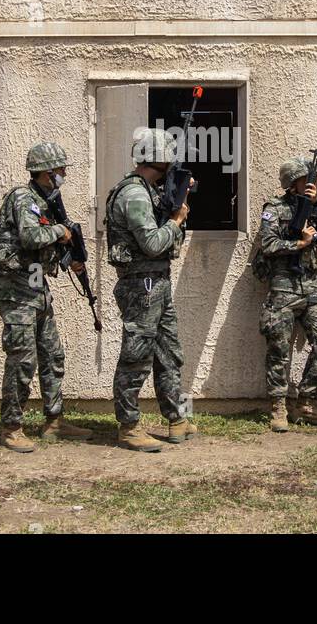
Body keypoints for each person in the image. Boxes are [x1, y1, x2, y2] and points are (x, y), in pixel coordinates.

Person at [0, 142, 95, 453]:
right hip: (17, 291)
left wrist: (70, 257)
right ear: (47, 172)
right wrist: (61, 232)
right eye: (60, 170)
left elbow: (44, 246)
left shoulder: (46, 202)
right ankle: (11, 427)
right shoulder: (23, 198)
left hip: (37, 290)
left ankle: (54, 422)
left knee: (52, 355)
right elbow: (30, 237)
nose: (64, 174)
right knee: (22, 360)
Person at [104, 128, 197, 452]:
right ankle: (129, 427)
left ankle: (177, 418)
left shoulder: (148, 190)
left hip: (157, 283)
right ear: (159, 159)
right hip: (141, 286)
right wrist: (176, 220)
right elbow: (154, 243)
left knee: (168, 353)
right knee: (136, 356)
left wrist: (179, 201)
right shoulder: (134, 195)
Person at [253, 157, 317, 432]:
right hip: (283, 286)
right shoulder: (274, 209)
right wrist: (298, 243)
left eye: (315, 180)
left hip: (314, 286)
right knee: (278, 348)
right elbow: (267, 244)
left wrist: (314, 207)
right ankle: (278, 406)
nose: (313, 183)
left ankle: (306, 403)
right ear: (292, 184)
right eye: (307, 180)